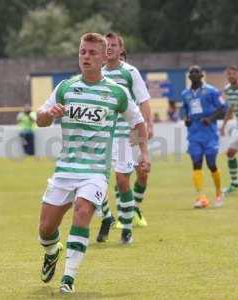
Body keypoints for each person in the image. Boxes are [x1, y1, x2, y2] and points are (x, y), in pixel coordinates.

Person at [36, 32, 150, 294]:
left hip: (95, 171)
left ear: (104, 57)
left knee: (84, 209)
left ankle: (68, 279)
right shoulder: (65, 88)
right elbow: (40, 119)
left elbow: (138, 123)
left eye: (92, 53)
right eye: (82, 52)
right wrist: (49, 115)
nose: (86, 57)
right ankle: (52, 250)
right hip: (65, 170)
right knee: (45, 230)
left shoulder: (116, 93)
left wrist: (144, 154)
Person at [97, 32, 153, 243]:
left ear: (121, 50)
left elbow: (143, 100)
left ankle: (127, 228)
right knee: (95, 181)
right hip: (100, 136)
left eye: (113, 45)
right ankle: (107, 217)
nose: (109, 48)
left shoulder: (130, 72)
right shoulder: (97, 73)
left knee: (122, 180)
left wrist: (147, 125)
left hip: (123, 135)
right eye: (106, 45)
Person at [181, 65, 225, 208]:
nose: (193, 73)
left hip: (209, 134)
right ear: (189, 76)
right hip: (194, 134)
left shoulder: (211, 91)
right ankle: (201, 198)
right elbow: (186, 112)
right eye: (191, 72)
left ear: (202, 75)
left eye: (196, 71)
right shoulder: (185, 94)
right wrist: (187, 120)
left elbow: (223, 109)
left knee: (211, 164)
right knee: (196, 163)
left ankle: (219, 192)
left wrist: (211, 119)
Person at [220, 65, 238, 195]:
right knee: (231, 153)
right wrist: (223, 125)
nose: (231, 76)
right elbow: (231, 108)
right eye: (229, 74)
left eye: (233, 73)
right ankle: (235, 183)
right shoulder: (227, 90)